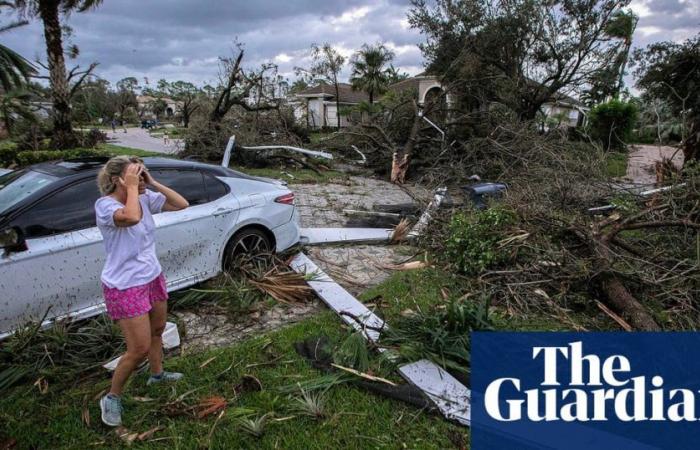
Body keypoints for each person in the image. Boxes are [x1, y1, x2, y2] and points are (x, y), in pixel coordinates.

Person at [95, 156, 189, 427]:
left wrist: (151, 182)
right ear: (117, 180)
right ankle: (112, 397)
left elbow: (181, 204)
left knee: (158, 330)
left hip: (151, 276)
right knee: (138, 348)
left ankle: (157, 374)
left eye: (141, 172)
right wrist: (134, 189)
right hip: (125, 285)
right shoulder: (105, 206)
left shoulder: (145, 198)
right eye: (134, 174)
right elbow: (132, 217)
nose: (140, 177)